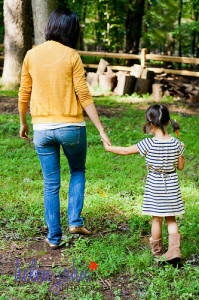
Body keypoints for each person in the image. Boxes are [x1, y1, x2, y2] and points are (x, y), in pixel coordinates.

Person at [18, 8, 111, 249]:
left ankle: (54, 237)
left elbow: (23, 93)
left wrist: (23, 122)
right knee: (77, 170)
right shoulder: (72, 55)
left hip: (42, 129)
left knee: (51, 183)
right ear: (71, 30)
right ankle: (75, 221)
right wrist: (100, 128)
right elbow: (84, 94)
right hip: (72, 128)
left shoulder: (31, 55)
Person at [103, 104, 185, 262]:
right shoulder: (176, 143)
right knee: (171, 219)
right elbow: (180, 167)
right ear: (168, 122)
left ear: (151, 124)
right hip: (172, 185)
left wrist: (109, 148)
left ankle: (158, 253)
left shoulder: (148, 144)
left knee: (156, 219)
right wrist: (181, 151)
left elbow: (126, 150)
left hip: (155, 185)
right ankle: (174, 250)